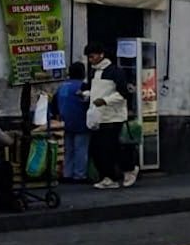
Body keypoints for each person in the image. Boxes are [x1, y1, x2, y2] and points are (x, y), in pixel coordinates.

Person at [84, 44, 137, 189]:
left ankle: (129, 169)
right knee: (96, 149)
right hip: (98, 117)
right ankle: (107, 177)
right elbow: (94, 91)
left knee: (111, 148)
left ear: (101, 54)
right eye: (89, 57)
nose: (90, 60)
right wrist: (85, 95)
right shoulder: (93, 72)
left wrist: (105, 101)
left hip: (113, 117)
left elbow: (123, 93)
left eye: (92, 56)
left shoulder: (115, 71)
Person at [54, 62, 89, 183]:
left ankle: (67, 173)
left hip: (65, 122)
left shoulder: (62, 87)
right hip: (81, 121)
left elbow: (54, 105)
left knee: (68, 149)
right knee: (81, 149)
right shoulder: (83, 86)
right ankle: (79, 175)